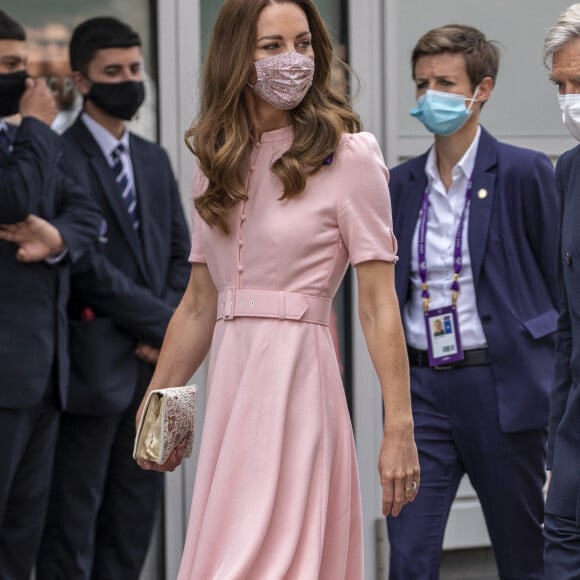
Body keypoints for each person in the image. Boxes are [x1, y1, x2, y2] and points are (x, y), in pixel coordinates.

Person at [136, 0, 419, 578]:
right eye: (272, 46)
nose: (293, 60)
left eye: (304, 44)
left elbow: (376, 303)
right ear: (236, 57)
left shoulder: (350, 154)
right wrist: (160, 411)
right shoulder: (214, 160)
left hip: (299, 384)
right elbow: (199, 304)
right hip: (232, 392)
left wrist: (399, 428)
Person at [386, 24, 558, 579]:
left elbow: (558, 283)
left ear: (481, 90)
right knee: (409, 553)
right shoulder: (398, 184)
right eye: (421, 83)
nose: (430, 95)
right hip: (422, 394)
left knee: (522, 552)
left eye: (444, 82)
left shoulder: (525, 173)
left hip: (502, 389)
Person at [35, 17, 191, 580]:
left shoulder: (155, 158)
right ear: (80, 80)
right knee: (74, 520)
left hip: (164, 374)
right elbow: (84, 266)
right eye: (113, 72)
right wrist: (164, 326)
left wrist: (170, 334)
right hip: (93, 371)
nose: (129, 81)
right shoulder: (55, 155)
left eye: (135, 69)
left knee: (137, 516)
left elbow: (183, 254)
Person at [0, 10, 100, 580]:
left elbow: (83, 210)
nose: (27, 81)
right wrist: (38, 125)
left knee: (24, 535)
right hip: (7, 378)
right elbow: (14, 199)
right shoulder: (31, 132)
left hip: (44, 374)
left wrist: (55, 235)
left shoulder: (21, 138)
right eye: (11, 66)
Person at [543, 5, 580, 577]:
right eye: (562, 85)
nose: (570, 99)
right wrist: (554, 450)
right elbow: (566, 329)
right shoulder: (568, 171)